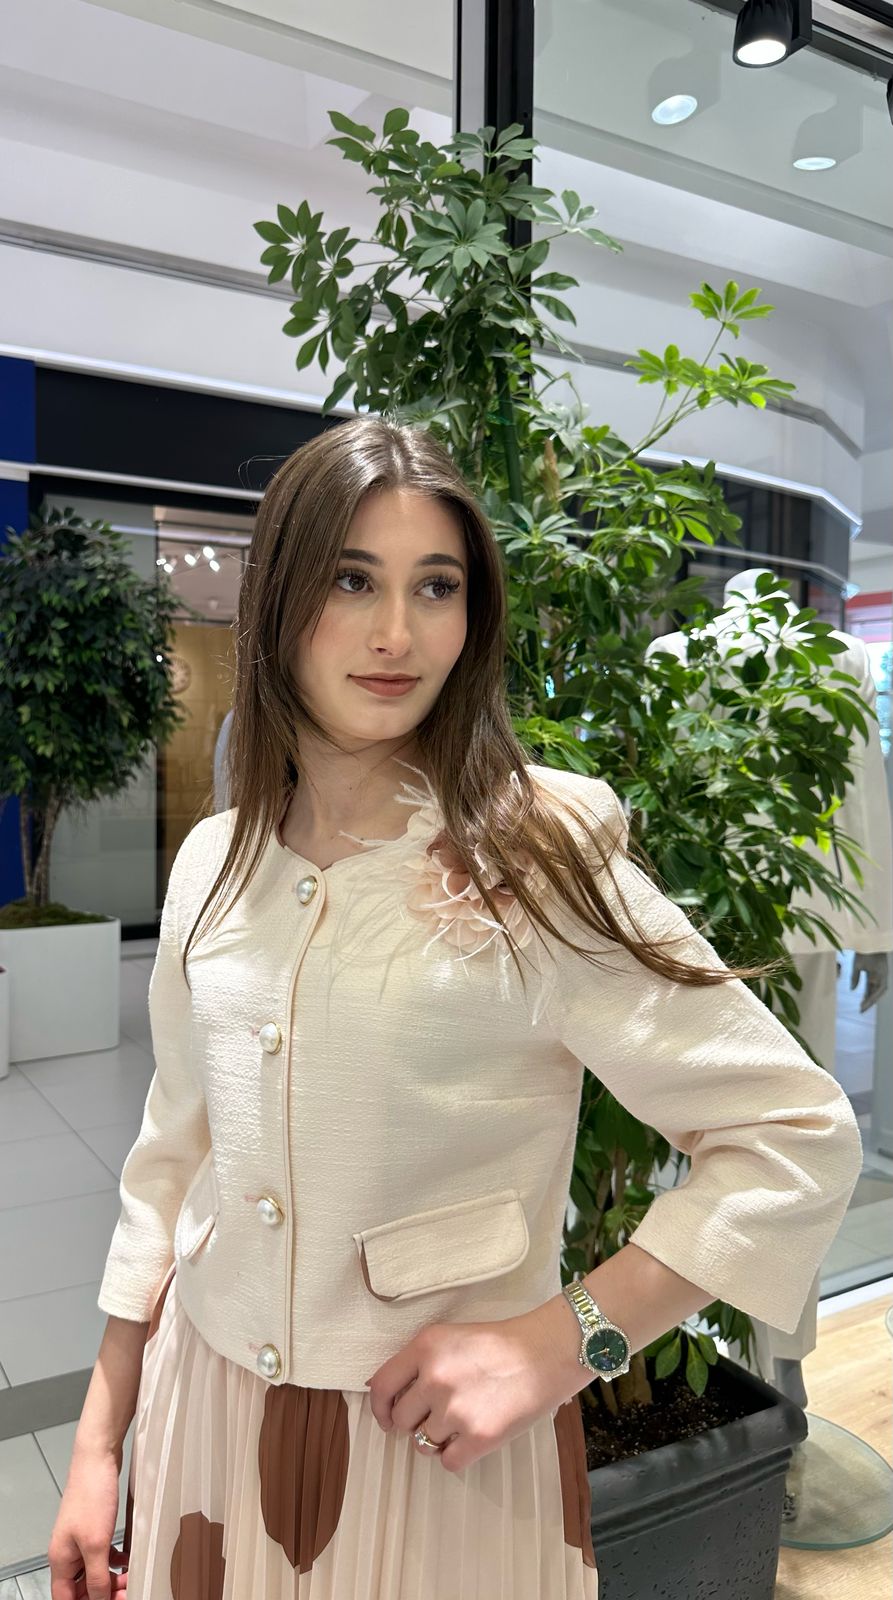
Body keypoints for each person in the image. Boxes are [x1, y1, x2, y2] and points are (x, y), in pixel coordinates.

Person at [48, 417, 864, 1600]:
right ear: (277, 600)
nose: (396, 632)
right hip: (205, 1416)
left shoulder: (531, 858)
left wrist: (567, 1341)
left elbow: (792, 1135)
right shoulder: (216, 859)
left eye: (435, 585)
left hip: (434, 1461)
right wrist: (95, 1441)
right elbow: (172, 1160)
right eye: (351, 580)